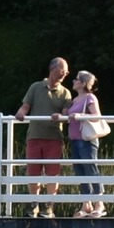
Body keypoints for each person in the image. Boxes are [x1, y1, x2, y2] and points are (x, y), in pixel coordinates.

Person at [15, 57, 74, 217]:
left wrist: (60, 116)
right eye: (63, 69)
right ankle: (34, 203)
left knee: (52, 173)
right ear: (53, 68)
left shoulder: (65, 93)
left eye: (67, 71)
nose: (65, 73)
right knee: (33, 171)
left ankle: (48, 206)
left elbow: (66, 113)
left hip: (54, 137)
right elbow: (25, 106)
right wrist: (21, 113)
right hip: (34, 136)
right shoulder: (36, 87)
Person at [63, 70, 107, 217]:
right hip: (75, 139)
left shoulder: (90, 97)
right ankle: (86, 204)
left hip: (86, 139)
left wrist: (81, 115)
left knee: (90, 168)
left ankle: (99, 203)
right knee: (79, 170)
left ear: (82, 83)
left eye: (76, 79)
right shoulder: (75, 100)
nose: (73, 81)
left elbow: (96, 116)